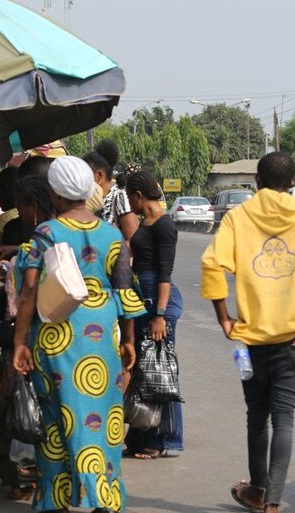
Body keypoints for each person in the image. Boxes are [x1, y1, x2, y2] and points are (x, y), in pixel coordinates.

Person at [201, 152, 295, 513]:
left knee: (257, 416)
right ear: (294, 182)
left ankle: (256, 489)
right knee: (284, 417)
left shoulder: (238, 217)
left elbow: (212, 265)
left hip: (250, 339)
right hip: (294, 338)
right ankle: (272, 503)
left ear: (257, 181)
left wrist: (224, 318)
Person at [13, 156, 145, 513]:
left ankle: (56, 500)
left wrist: (20, 342)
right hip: (102, 340)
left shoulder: (47, 234)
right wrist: (128, 340)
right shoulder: (113, 236)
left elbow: (29, 291)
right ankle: (104, 497)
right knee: (103, 419)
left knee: (56, 421)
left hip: (56, 340)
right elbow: (125, 293)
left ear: (55, 193)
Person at [123, 169, 185, 459]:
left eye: (129, 198)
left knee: (159, 370)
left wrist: (159, 315)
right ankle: (140, 434)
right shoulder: (145, 223)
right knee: (143, 368)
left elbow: (165, 274)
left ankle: (162, 439)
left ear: (138, 195)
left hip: (157, 302)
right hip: (143, 299)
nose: (129, 204)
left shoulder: (164, 226)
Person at [84, 141, 137, 240]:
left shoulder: (120, 197)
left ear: (99, 176)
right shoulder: (88, 199)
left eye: (86, 175)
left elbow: (132, 240)